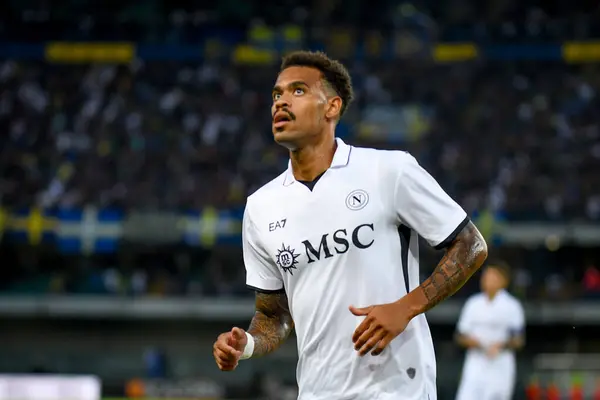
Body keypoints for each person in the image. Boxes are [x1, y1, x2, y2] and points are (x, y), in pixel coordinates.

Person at [213, 50, 488, 400]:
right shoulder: (260, 207)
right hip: (317, 392)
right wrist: (247, 344)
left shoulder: (388, 171)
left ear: (332, 107)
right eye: (277, 94)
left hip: (397, 389)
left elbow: (471, 245)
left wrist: (405, 308)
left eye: (298, 91)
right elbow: (274, 313)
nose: (281, 102)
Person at [455, 262, 525, 400]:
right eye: (485, 276)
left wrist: (502, 345)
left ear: (503, 281)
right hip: (475, 363)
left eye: (492, 277)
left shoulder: (512, 306)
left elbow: (519, 340)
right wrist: (473, 342)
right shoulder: (473, 304)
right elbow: (459, 335)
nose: (487, 280)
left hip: (500, 363)